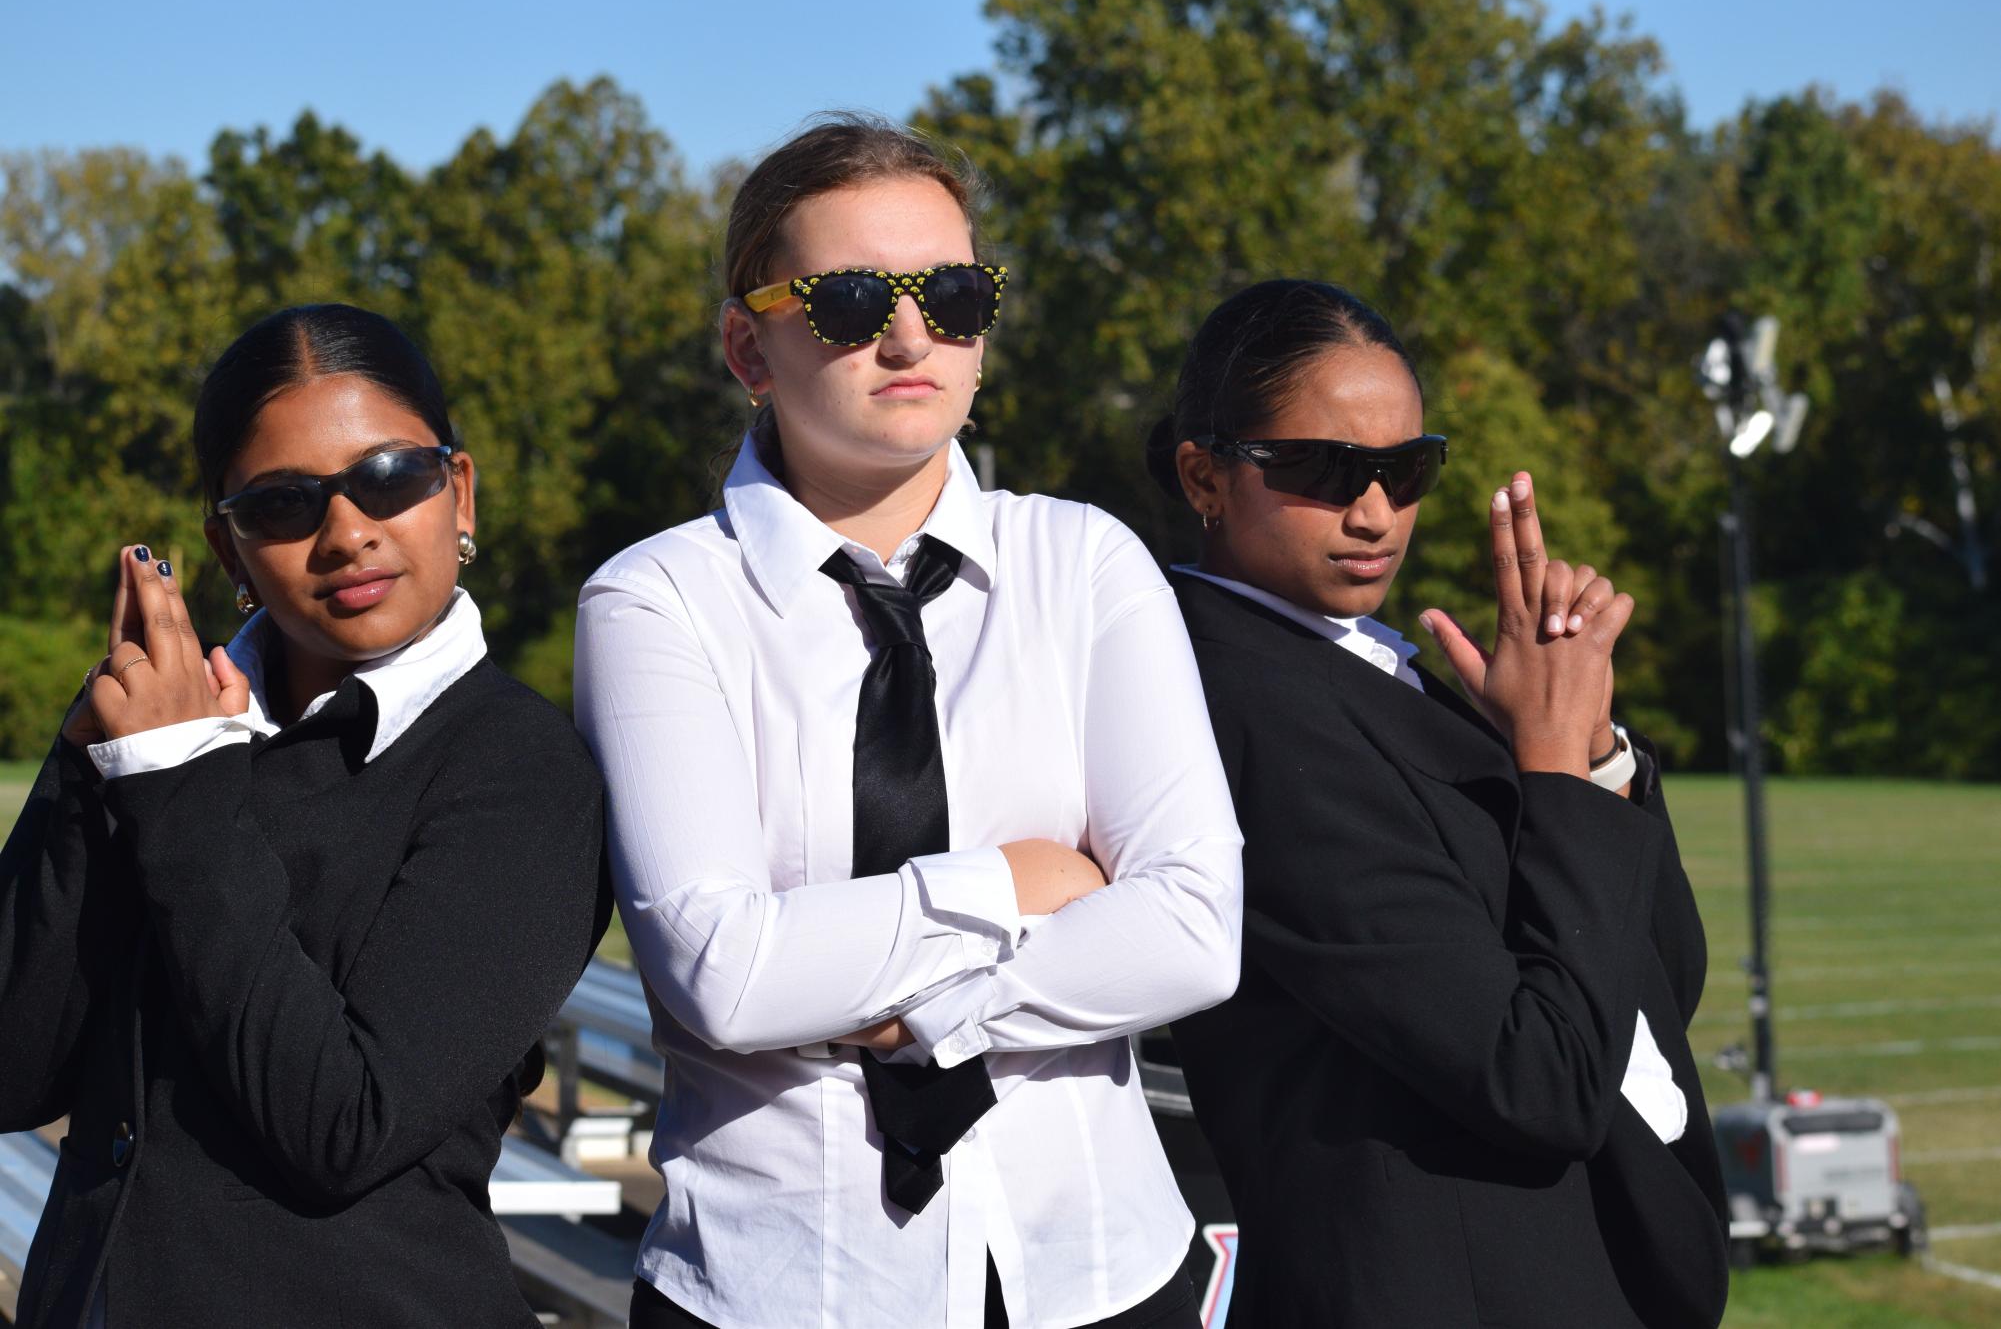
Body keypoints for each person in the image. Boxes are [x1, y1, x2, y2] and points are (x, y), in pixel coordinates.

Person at [573, 114, 1243, 1329]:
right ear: (747, 344)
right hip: (776, 1287)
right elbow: (724, 977)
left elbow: (1196, 930)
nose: (908, 333)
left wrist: (908, 1000)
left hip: (1099, 1269)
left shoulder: (1086, 562)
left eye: (952, 291)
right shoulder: (656, 599)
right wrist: (1013, 881)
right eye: (843, 299)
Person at [0, 304, 611, 1329]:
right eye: (284, 502)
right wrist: (87, 762)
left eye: (390, 476)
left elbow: (345, 1124)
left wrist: (173, 776)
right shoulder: (162, 729)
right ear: (226, 544)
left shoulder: (523, 771)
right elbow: (14, 1071)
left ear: (457, 491)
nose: (346, 531)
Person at [1153, 281, 1730, 1328]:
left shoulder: (1374, 672)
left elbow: (1656, 980)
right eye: (1323, 469)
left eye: (1403, 469)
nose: (1373, 511)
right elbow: (1539, 1075)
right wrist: (1547, 768)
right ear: (1205, 473)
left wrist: (1589, 756)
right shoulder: (1233, 702)